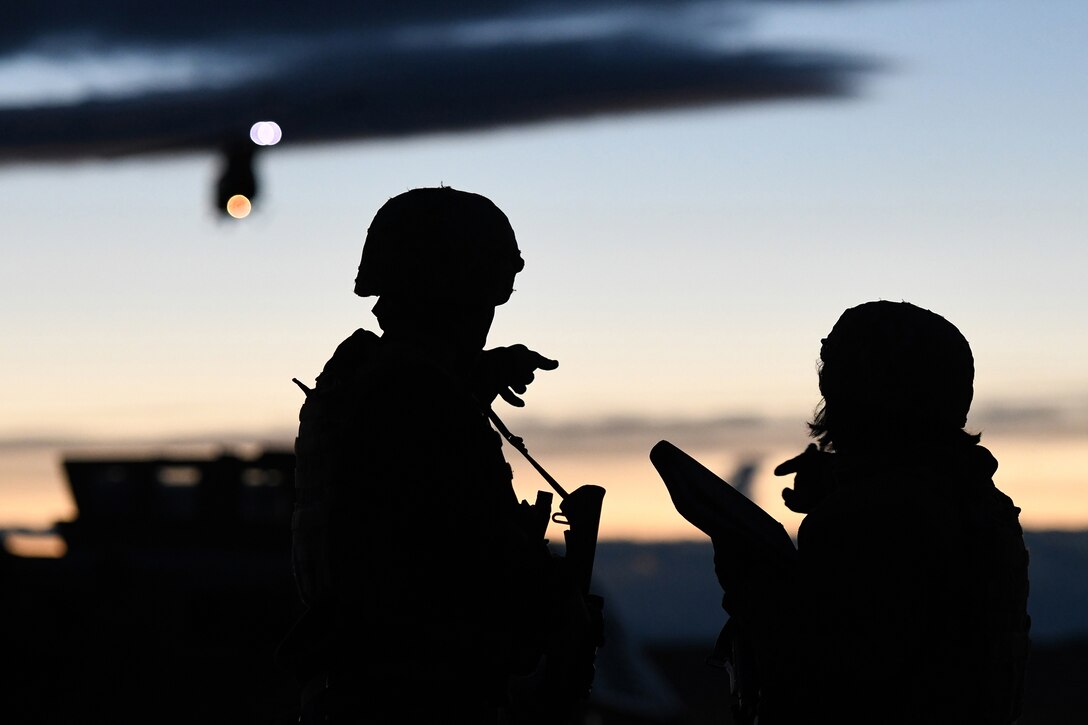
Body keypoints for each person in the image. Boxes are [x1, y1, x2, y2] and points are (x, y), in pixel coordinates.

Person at [277, 187, 583, 723]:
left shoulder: (368, 381)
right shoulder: (415, 403)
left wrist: (476, 375)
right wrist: (559, 608)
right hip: (416, 700)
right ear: (452, 291)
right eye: (488, 294)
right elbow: (470, 557)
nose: (489, 315)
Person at [712, 301, 1030, 724]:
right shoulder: (977, 500)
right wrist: (842, 481)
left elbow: (818, 679)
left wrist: (751, 580)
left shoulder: (868, 520)